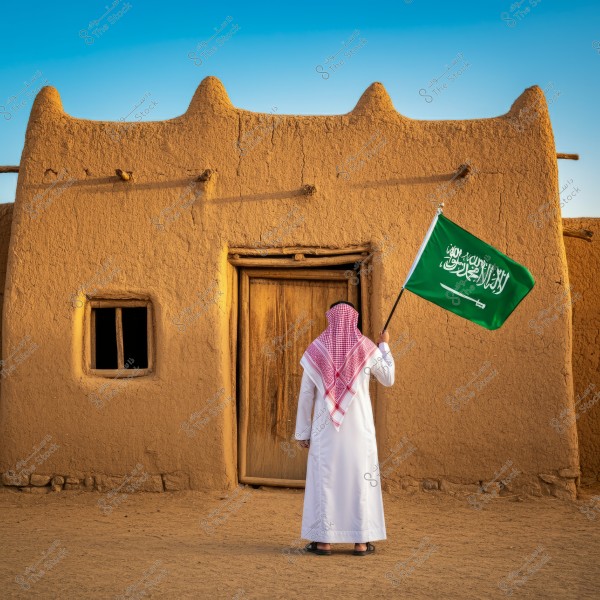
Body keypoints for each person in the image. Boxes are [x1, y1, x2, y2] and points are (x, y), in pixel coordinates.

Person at [294, 300, 395, 556]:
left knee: (325, 481)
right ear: (354, 320)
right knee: (359, 480)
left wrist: (303, 431)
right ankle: (361, 542)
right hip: (359, 430)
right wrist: (384, 344)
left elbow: (307, 393)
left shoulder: (317, 349)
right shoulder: (367, 348)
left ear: (330, 319)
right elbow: (388, 378)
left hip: (324, 430)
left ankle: (324, 542)